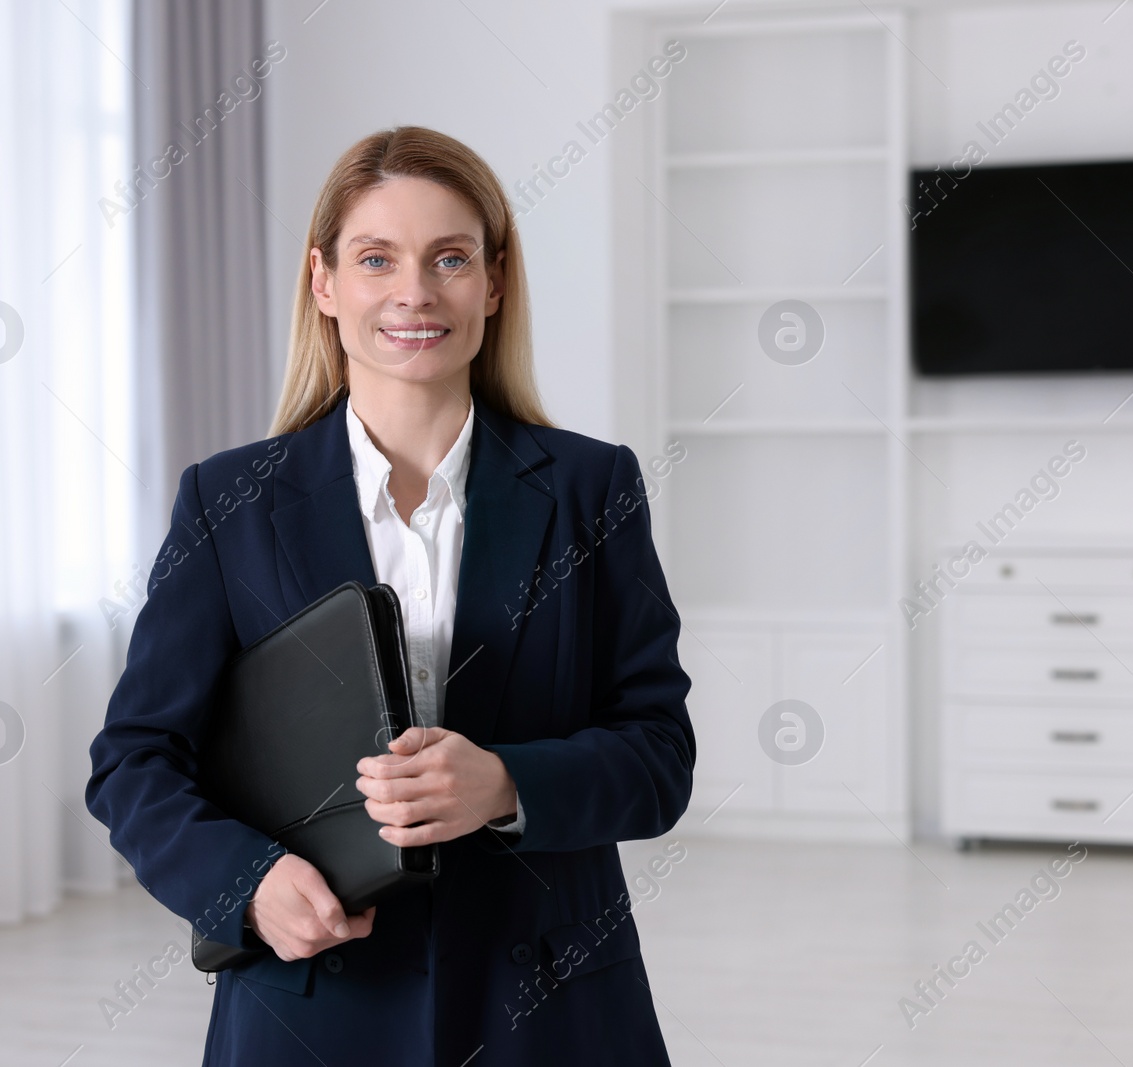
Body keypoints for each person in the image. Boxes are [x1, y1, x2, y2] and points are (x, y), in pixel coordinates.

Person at [85, 125, 695, 1066]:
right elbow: (134, 761)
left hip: (548, 1008)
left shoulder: (591, 488)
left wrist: (503, 783)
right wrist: (245, 883)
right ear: (325, 283)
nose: (415, 291)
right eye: (378, 259)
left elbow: (660, 753)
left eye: (449, 258)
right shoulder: (227, 500)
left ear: (493, 282)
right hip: (311, 1007)